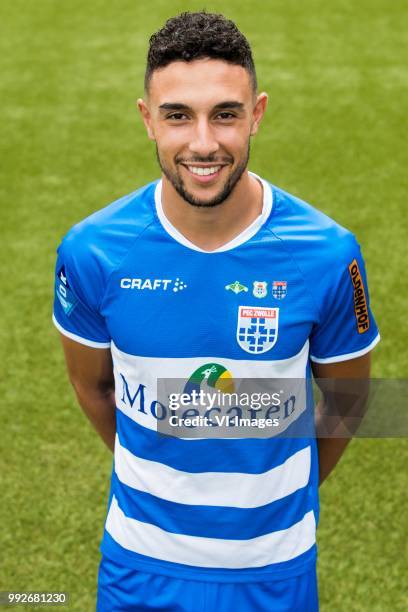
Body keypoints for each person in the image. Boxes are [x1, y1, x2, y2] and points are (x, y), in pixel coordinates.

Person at [52, 11, 380, 612]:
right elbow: (92, 387)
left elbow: (351, 402)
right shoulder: (93, 250)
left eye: (224, 114)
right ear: (148, 120)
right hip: (138, 566)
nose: (203, 143)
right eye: (178, 115)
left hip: (275, 570)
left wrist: (286, 494)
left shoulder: (328, 254)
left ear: (256, 113)